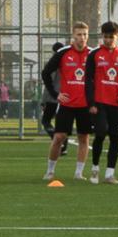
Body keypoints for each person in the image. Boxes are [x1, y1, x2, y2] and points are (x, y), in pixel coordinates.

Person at [44, 23, 94, 183]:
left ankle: (79, 173)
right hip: (66, 104)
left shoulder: (93, 54)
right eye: (79, 34)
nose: (82, 38)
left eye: (85, 34)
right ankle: (50, 171)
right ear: (73, 36)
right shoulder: (63, 53)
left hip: (85, 105)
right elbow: (45, 72)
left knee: (84, 138)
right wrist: (55, 94)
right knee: (59, 137)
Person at [87, 21, 118, 185]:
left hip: (116, 105)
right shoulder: (94, 55)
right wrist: (91, 103)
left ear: (117, 36)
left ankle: (110, 174)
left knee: (115, 137)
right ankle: (95, 168)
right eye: (105, 37)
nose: (108, 40)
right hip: (99, 103)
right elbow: (88, 80)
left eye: (111, 37)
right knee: (100, 134)